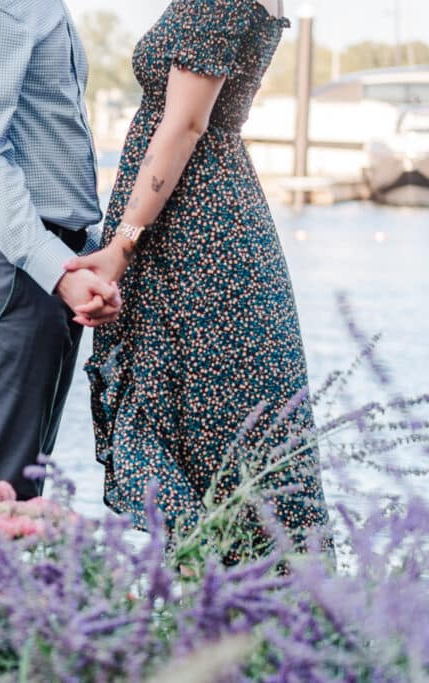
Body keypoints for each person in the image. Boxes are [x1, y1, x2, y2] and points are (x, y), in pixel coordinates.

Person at [64, 0, 332, 556]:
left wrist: (122, 244)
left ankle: (227, 602)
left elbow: (185, 123)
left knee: (209, 429)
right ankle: (231, 608)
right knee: (217, 430)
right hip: (207, 224)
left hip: (196, 238)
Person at [0, 0, 122, 500]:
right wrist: (58, 271)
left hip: (41, 265)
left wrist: (92, 258)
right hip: (10, 270)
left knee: (17, 504)